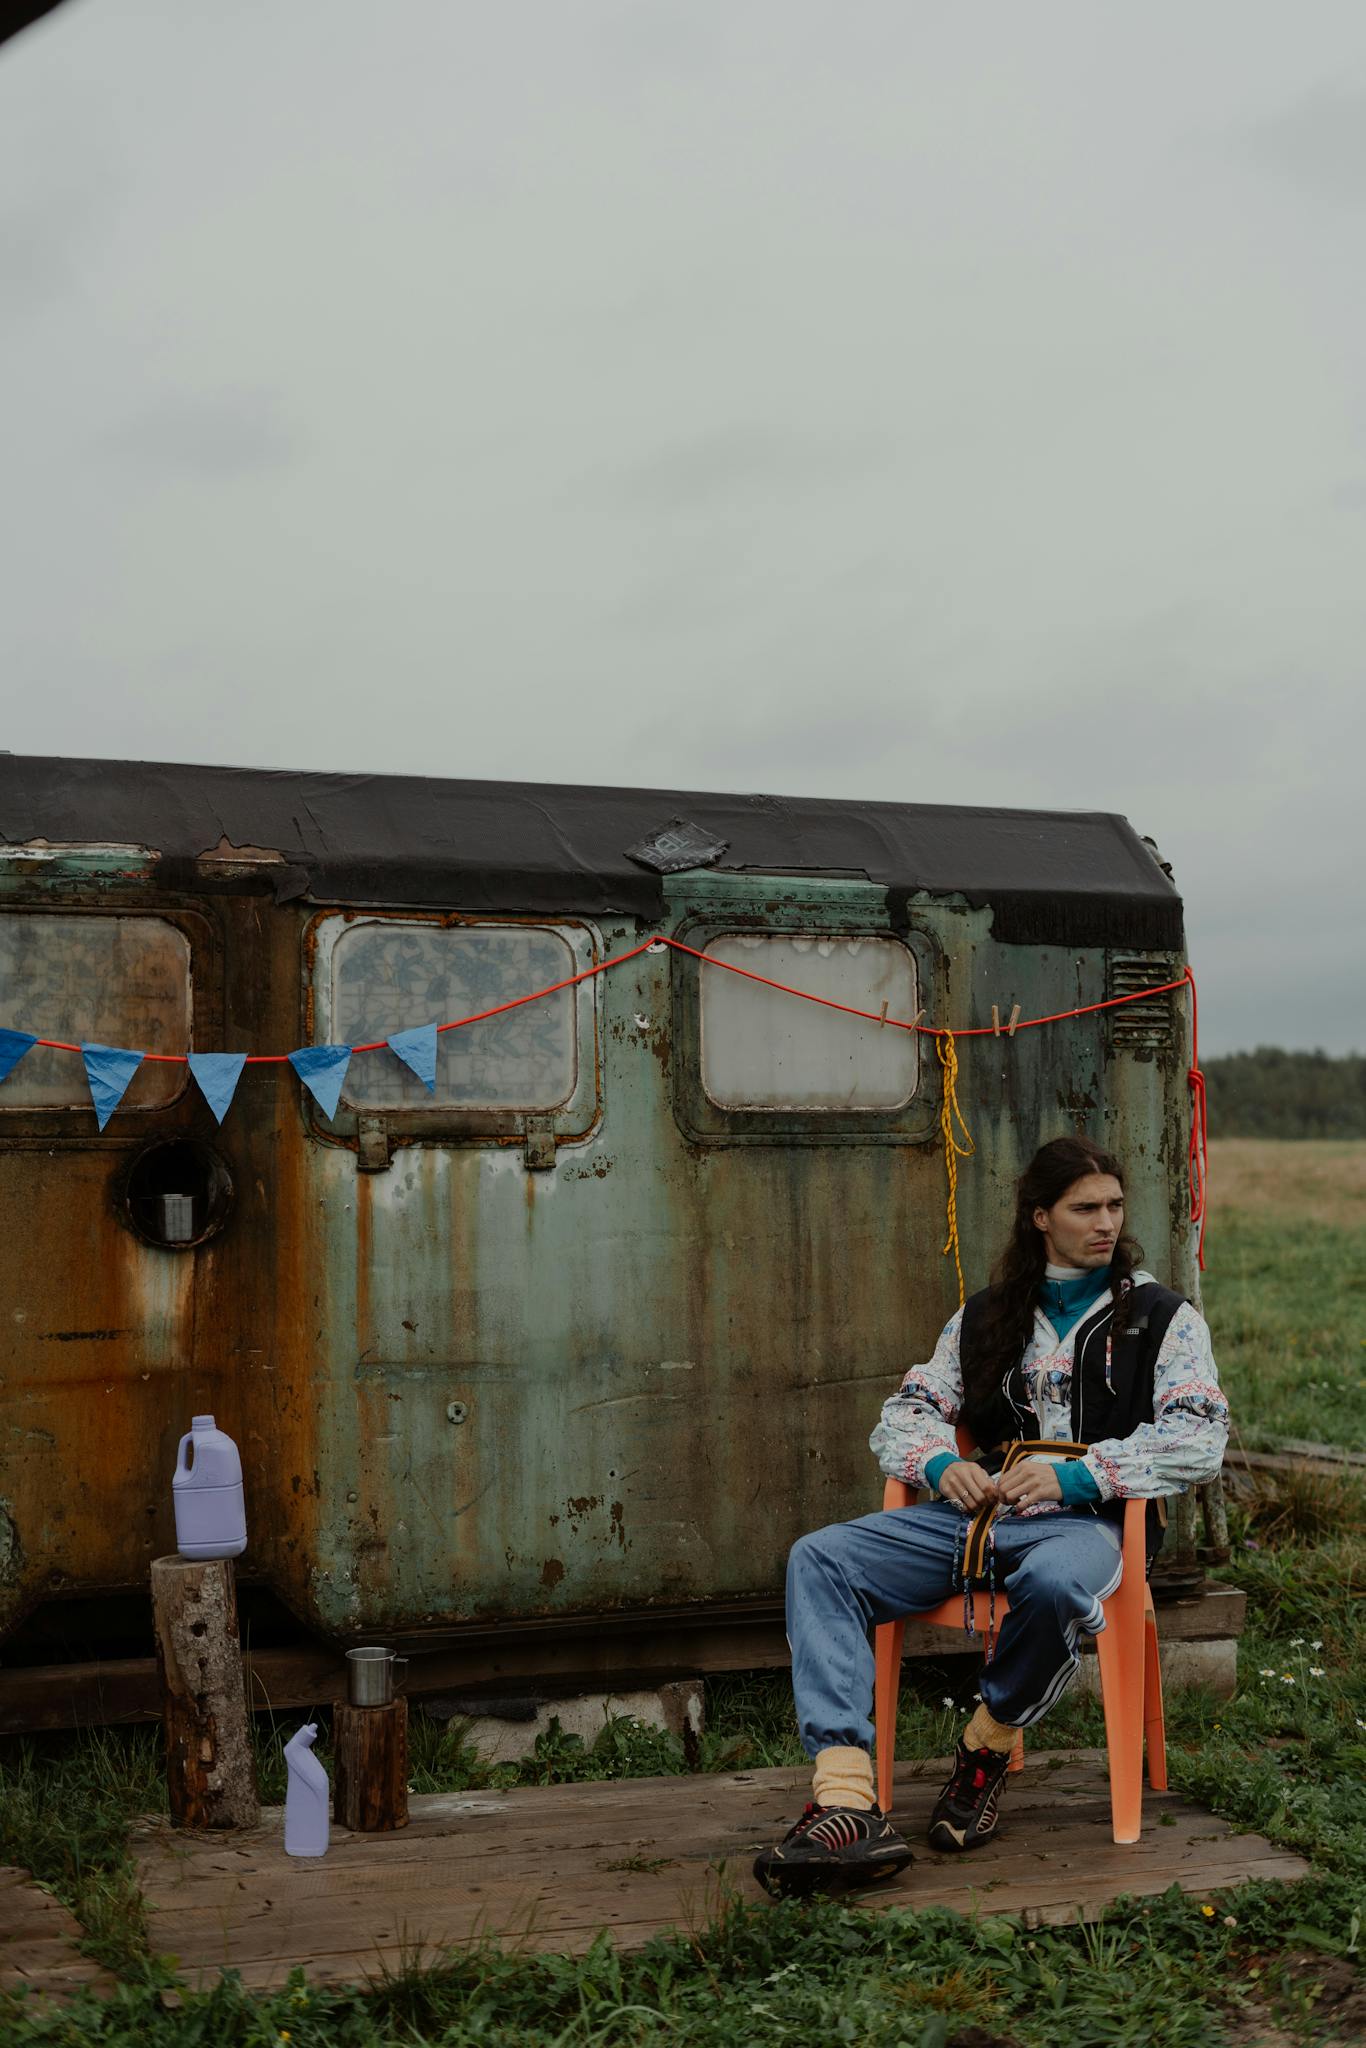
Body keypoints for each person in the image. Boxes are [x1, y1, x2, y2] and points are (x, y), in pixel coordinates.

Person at [754, 1134, 1228, 1897]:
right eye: (1084, 1208)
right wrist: (946, 1466)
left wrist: (1079, 1478)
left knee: (1050, 1581)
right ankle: (844, 1800)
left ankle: (986, 1746)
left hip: (1090, 1526)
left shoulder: (1162, 1319)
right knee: (821, 1557)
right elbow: (906, 1413)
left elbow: (1198, 1438)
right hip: (974, 1520)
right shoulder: (984, 1318)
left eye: (1113, 1206)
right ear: (1040, 1217)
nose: (1104, 1222)